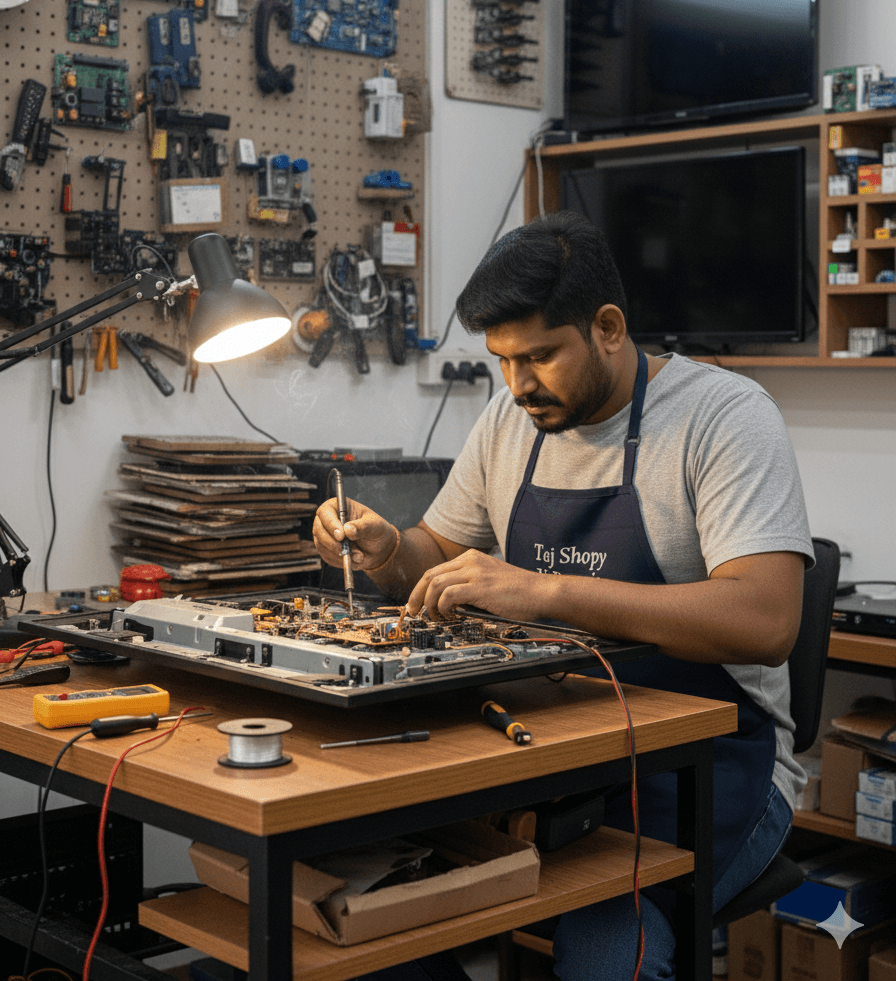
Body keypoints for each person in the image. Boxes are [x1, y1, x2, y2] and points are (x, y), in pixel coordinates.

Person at [313, 211, 814, 981]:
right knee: (361, 912)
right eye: (502, 361)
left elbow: (766, 619)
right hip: (555, 745)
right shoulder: (509, 422)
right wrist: (389, 551)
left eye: (540, 356)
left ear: (607, 328)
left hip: (710, 766)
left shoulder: (724, 417)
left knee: (605, 950)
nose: (517, 386)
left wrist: (545, 591)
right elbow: (432, 557)